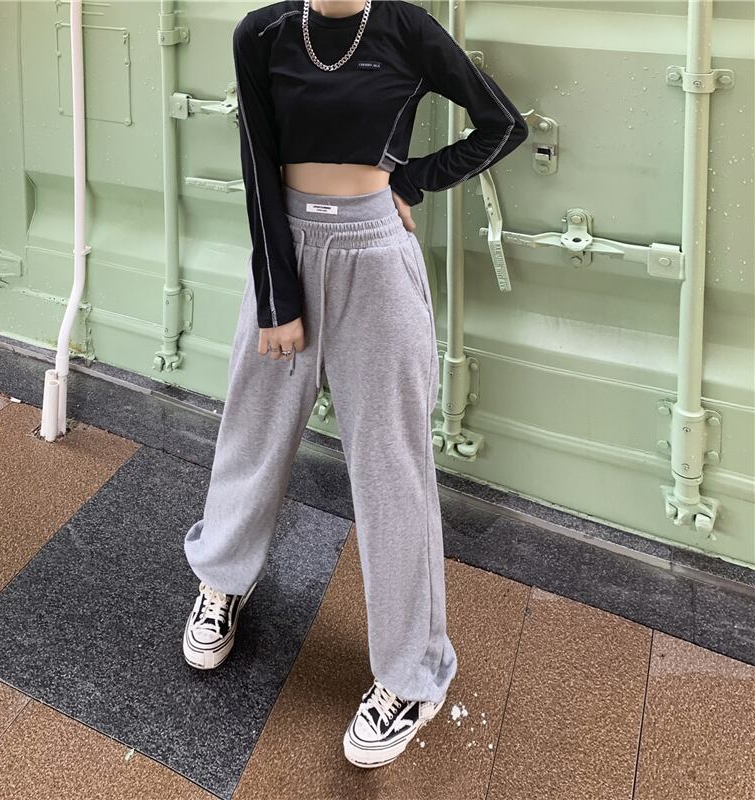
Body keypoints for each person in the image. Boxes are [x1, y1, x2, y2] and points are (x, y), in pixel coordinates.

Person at [182, 0, 528, 769]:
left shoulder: (408, 29)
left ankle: (411, 677)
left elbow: (501, 124)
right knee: (252, 433)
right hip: (286, 253)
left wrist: (417, 179)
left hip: (377, 258)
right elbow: (258, 168)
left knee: (392, 469)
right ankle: (222, 580)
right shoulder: (263, 33)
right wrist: (279, 300)